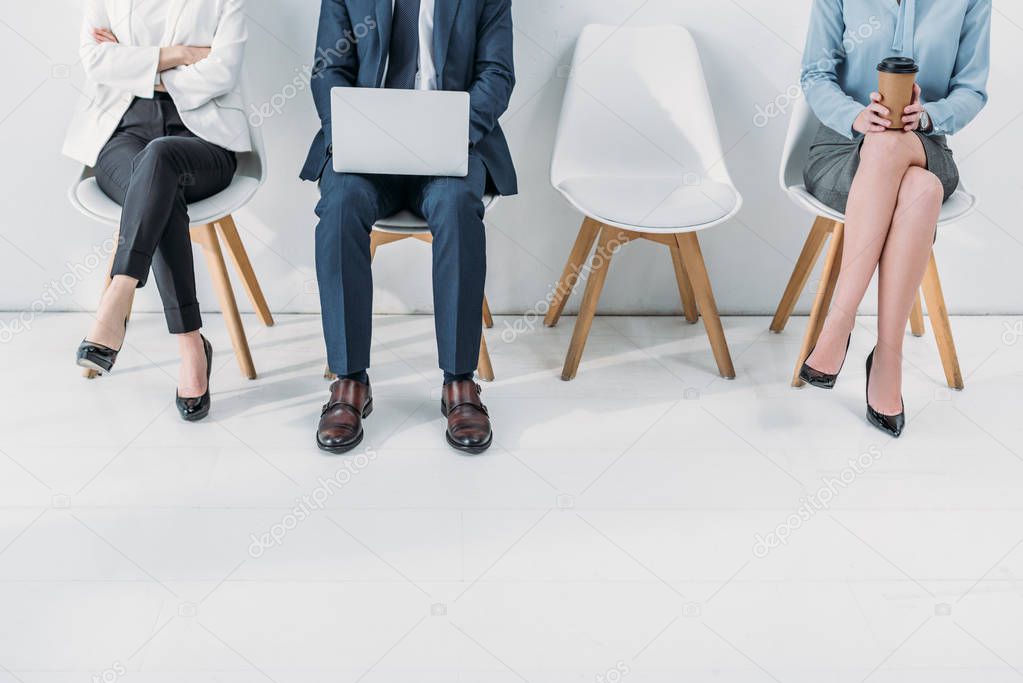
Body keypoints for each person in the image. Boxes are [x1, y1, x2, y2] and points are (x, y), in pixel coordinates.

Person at [302, 0, 517, 454]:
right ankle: (349, 381)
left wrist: (452, 134)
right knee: (338, 204)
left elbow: (496, 75)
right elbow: (328, 70)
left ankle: (459, 383)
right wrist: (350, 134)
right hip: (366, 151)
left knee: (458, 204)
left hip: (450, 147)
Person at [798, 0, 990, 437]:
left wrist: (926, 116)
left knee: (897, 152)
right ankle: (887, 360)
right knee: (920, 190)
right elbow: (815, 73)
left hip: (926, 146)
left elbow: (972, 90)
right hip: (843, 147)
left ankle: (838, 327)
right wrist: (856, 116)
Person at [65, 0, 250, 422]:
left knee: (160, 163)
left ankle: (120, 292)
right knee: (156, 189)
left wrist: (134, 67)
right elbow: (95, 61)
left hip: (203, 138)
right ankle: (191, 346)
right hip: (123, 136)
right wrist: (182, 57)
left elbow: (223, 72)